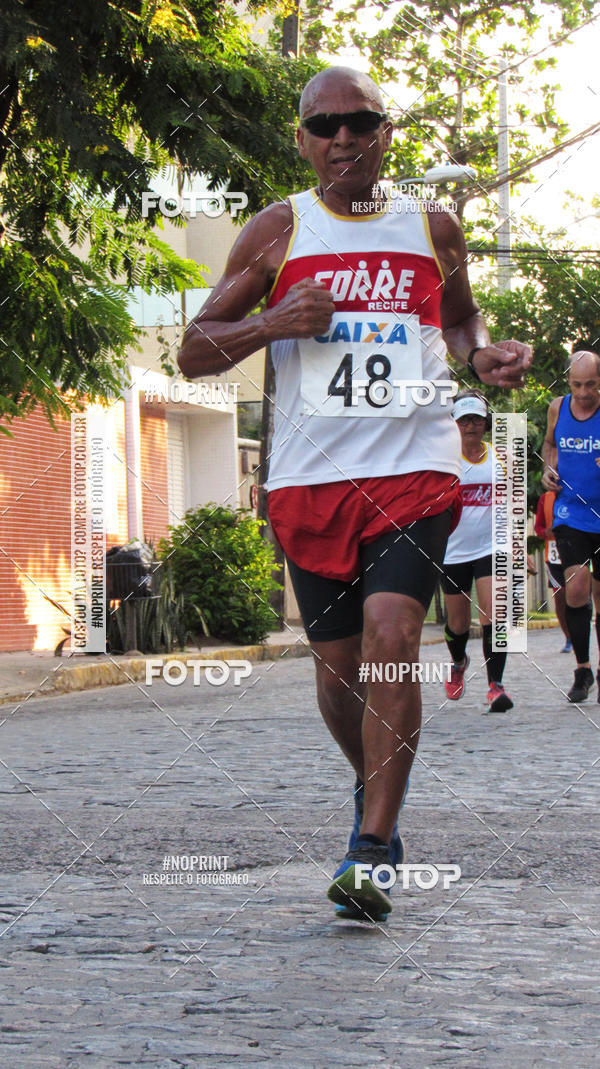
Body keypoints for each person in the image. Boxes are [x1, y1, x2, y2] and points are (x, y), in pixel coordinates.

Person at [178, 66, 532, 921]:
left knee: (390, 638)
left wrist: (480, 356)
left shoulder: (434, 225)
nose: (344, 138)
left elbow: (459, 320)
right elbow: (193, 351)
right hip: (310, 481)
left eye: (361, 122)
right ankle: (376, 787)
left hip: (415, 472)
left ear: (384, 133)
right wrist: (271, 323)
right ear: (302, 140)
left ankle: (373, 847)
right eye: (326, 125)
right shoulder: (276, 231)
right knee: (340, 677)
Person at [439, 391, 514, 713]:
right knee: (457, 623)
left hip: (490, 547)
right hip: (452, 551)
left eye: (476, 419)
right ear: (454, 424)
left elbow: (510, 506)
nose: (470, 426)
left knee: (495, 614)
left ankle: (495, 686)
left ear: (485, 422)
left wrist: (515, 546)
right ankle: (459, 662)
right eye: (464, 420)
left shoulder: (501, 459)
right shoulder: (444, 460)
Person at [542, 350, 600, 702]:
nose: (582, 393)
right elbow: (549, 445)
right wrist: (548, 468)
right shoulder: (557, 408)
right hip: (570, 513)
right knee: (576, 588)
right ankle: (582, 669)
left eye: (590, 384)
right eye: (576, 384)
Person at [533, 490, 571, 652]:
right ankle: (569, 637)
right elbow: (538, 526)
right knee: (560, 598)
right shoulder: (545, 498)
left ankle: (582, 634)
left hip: (576, 551)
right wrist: (544, 532)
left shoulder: (578, 492)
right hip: (554, 558)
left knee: (580, 596)